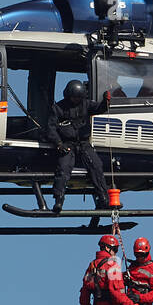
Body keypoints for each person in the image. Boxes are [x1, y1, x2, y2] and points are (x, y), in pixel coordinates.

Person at [43, 79, 111, 213]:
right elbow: (50, 128)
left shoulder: (86, 104)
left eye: (79, 97)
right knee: (63, 168)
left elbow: (100, 108)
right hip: (67, 144)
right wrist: (59, 144)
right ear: (68, 96)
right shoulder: (58, 108)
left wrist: (105, 101)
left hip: (84, 143)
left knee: (96, 165)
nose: (76, 100)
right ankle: (59, 199)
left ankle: (103, 197)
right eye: (74, 97)